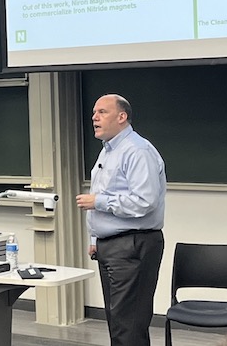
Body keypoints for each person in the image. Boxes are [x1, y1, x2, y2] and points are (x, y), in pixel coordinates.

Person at [76, 94, 166, 346]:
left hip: (133, 244)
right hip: (111, 246)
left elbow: (145, 201)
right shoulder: (108, 152)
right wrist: (96, 237)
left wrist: (99, 202)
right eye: (94, 112)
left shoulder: (137, 151)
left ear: (122, 116)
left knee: (130, 325)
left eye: (102, 112)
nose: (94, 117)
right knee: (118, 322)